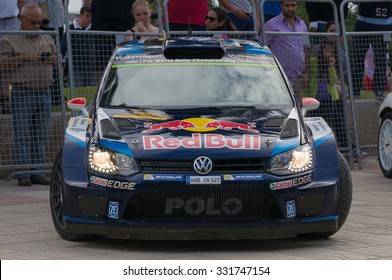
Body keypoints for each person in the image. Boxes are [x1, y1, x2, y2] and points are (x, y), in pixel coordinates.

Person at [0, 4, 56, 186]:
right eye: (33, 22)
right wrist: (23, 57)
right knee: (22, 136)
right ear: (21, 19)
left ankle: (38, 173)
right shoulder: (10, 38)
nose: (36, 26)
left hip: (44, 92)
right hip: (23, 92)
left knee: (41, 135)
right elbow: (2, 64)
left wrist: (53, 59)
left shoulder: (46, 37)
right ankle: (23, 173)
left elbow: (58, 61)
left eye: (39, 22)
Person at [263, 0, 309, 102]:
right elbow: (263, 47)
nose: (290, 8)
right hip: (279, 79)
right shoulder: (271, 24)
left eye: (293, 5)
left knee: (297, 111)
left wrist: (306, 73)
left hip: (298, 79)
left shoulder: (302, 25)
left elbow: (306, 48)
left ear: (297, 6)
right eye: (287, 5)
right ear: (281, 6)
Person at [351, 2, 392, 100]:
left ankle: (379, 90)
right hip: (362, 22)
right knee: (358, 57)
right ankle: (354, 90)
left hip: (382, 23)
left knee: (380, 58)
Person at [90, 0, 135, 83]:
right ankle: (101, 91)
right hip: (101, 18)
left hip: (125, 16)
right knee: (101, 60)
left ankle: (128, 86)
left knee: (127, 57)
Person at [0, 0, 25, 114]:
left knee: (11, 60)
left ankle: (6, 100)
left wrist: (20, 19)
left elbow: (20, 1)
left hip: (12, 20)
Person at [61, 5, 95, 87]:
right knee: (75, 91)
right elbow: (62, 48)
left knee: (91, 91)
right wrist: (62, 65)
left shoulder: (93, 29)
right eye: (87, 16)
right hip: (75, 66)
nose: (89, 18)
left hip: (90, 66)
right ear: (81, 15)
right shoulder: (71, 29)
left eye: (91, 16)